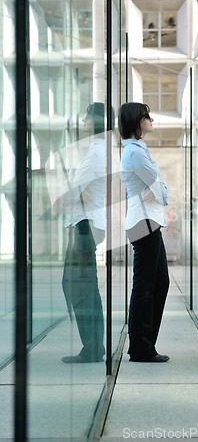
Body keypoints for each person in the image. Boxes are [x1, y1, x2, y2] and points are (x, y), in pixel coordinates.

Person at [118, 102, 170, 363]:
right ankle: (140, 348)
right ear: (136, 121)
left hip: (147, 220)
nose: (151, 119)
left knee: (159, 283)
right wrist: (160, 188)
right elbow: (158, 188)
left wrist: (159, 188)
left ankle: (144, 344)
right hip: (144, 221)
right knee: (145, 287)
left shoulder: (138, 150)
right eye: (146, 116)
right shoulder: (136, 153)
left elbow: (158, 188)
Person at [55, 102, 106, 364]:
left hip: (84, 226)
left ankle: (93, 348)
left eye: (87, 118)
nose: (83, 122)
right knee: (84, 286)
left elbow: (69, 194)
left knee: (78, 286)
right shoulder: (96, 151)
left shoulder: (96, 153)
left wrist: (70, 190)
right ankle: (95, 346)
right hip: (85, 225)